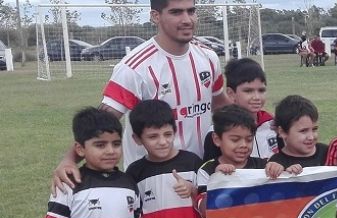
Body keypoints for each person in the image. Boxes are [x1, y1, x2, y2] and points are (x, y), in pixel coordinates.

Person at [52, 0, 230, 193]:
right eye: (176, 12)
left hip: (201, 175)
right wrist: (69, 159)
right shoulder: (134, 68)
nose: (187, 19)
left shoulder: (208, 57)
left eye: (191, 11)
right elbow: (103, 122)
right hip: (151, 181)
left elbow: (221, 106)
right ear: (156, 16)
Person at [202, 58, 278, 162]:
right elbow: (209, 171)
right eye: (248, 91)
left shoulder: (274, 125)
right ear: (231, 93)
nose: (256, 97)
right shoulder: (217, 131)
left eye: (261, 90)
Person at [196, 105, 267, 207]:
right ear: (217, 139)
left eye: (249, 139)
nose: (243, 145)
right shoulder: (207, 170)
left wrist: (282, 170)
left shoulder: (262, 166)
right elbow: (203, 210)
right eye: (235, 140)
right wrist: (218, 180)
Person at [266, 95, 328, 177]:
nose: (311, 137)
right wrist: (285, 174)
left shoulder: (326, 151)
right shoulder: (277, 162)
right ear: (283, 132)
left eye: (314, 129)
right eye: (303, 131)